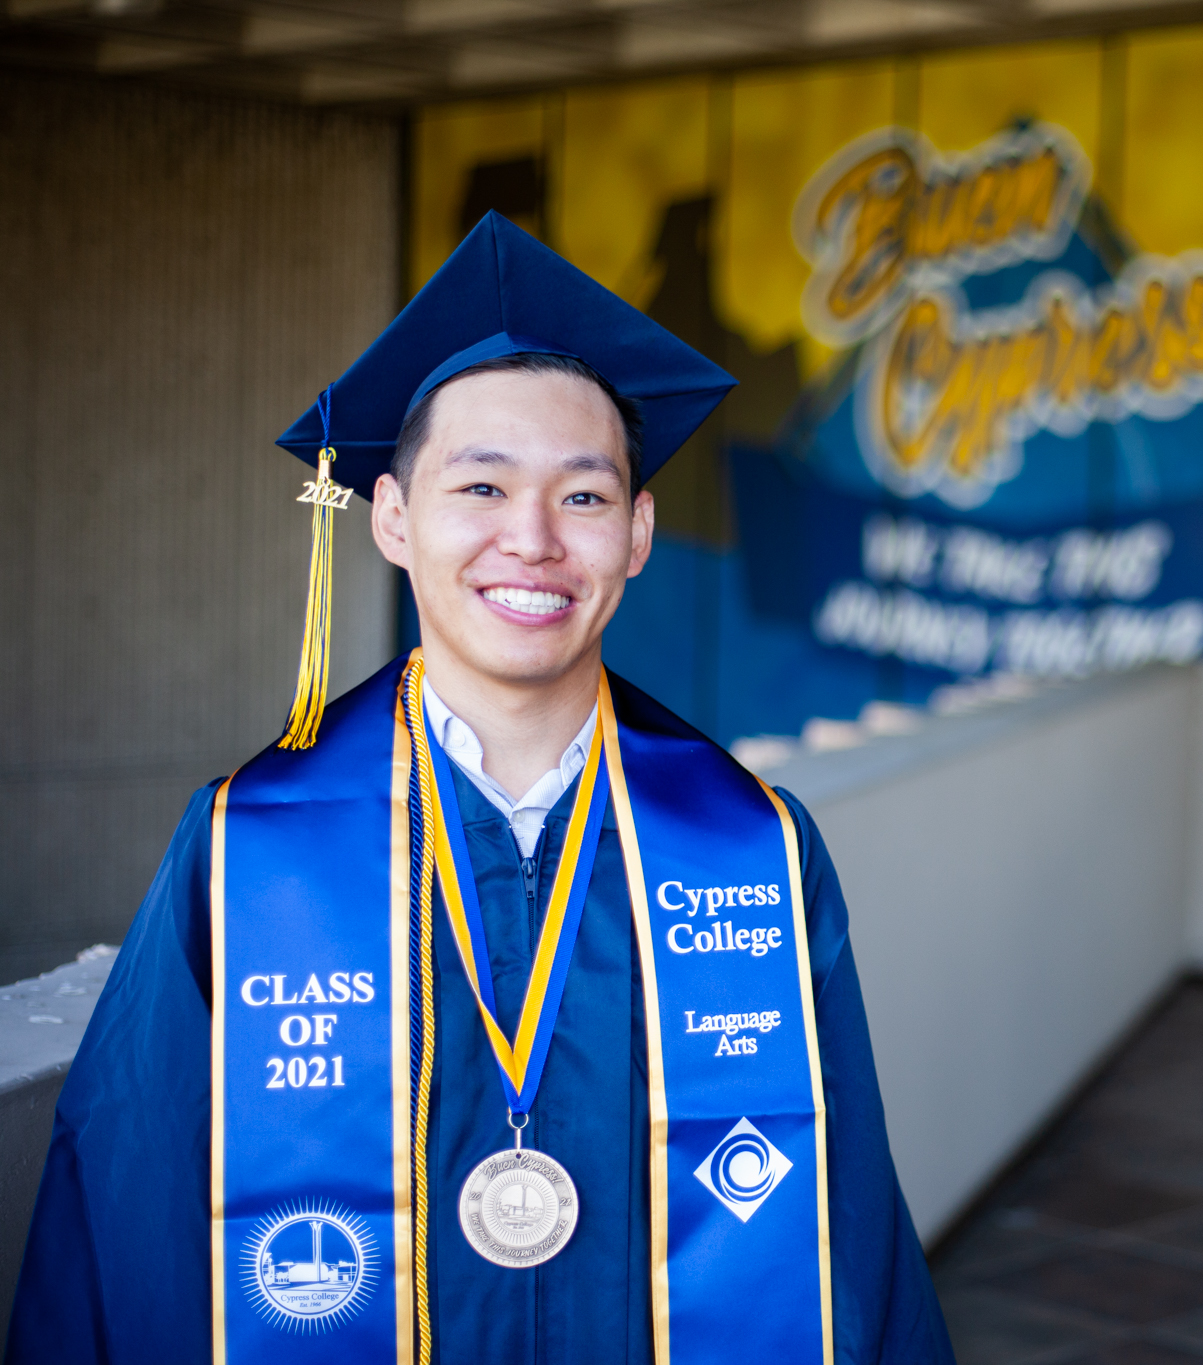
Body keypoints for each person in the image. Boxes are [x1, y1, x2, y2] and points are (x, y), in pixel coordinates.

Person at [6, 212, 955, 1365]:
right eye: (481, 489)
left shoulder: (749, 843)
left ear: (640, 533)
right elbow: (129, 1195)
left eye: (586, 498)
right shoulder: (249, 846)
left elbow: (843, 1206)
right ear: (394, 519)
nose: (535, 541)